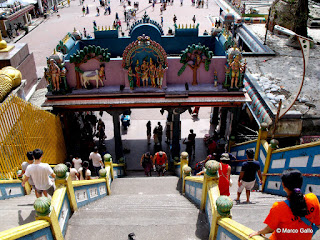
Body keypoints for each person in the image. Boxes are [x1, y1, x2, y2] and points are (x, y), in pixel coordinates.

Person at [249, 169, 320, 239]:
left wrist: (258, 232)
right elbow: (318, 223)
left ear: (283, 185)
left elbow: (270, 229)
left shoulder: (279, 207)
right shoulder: (312, 198)